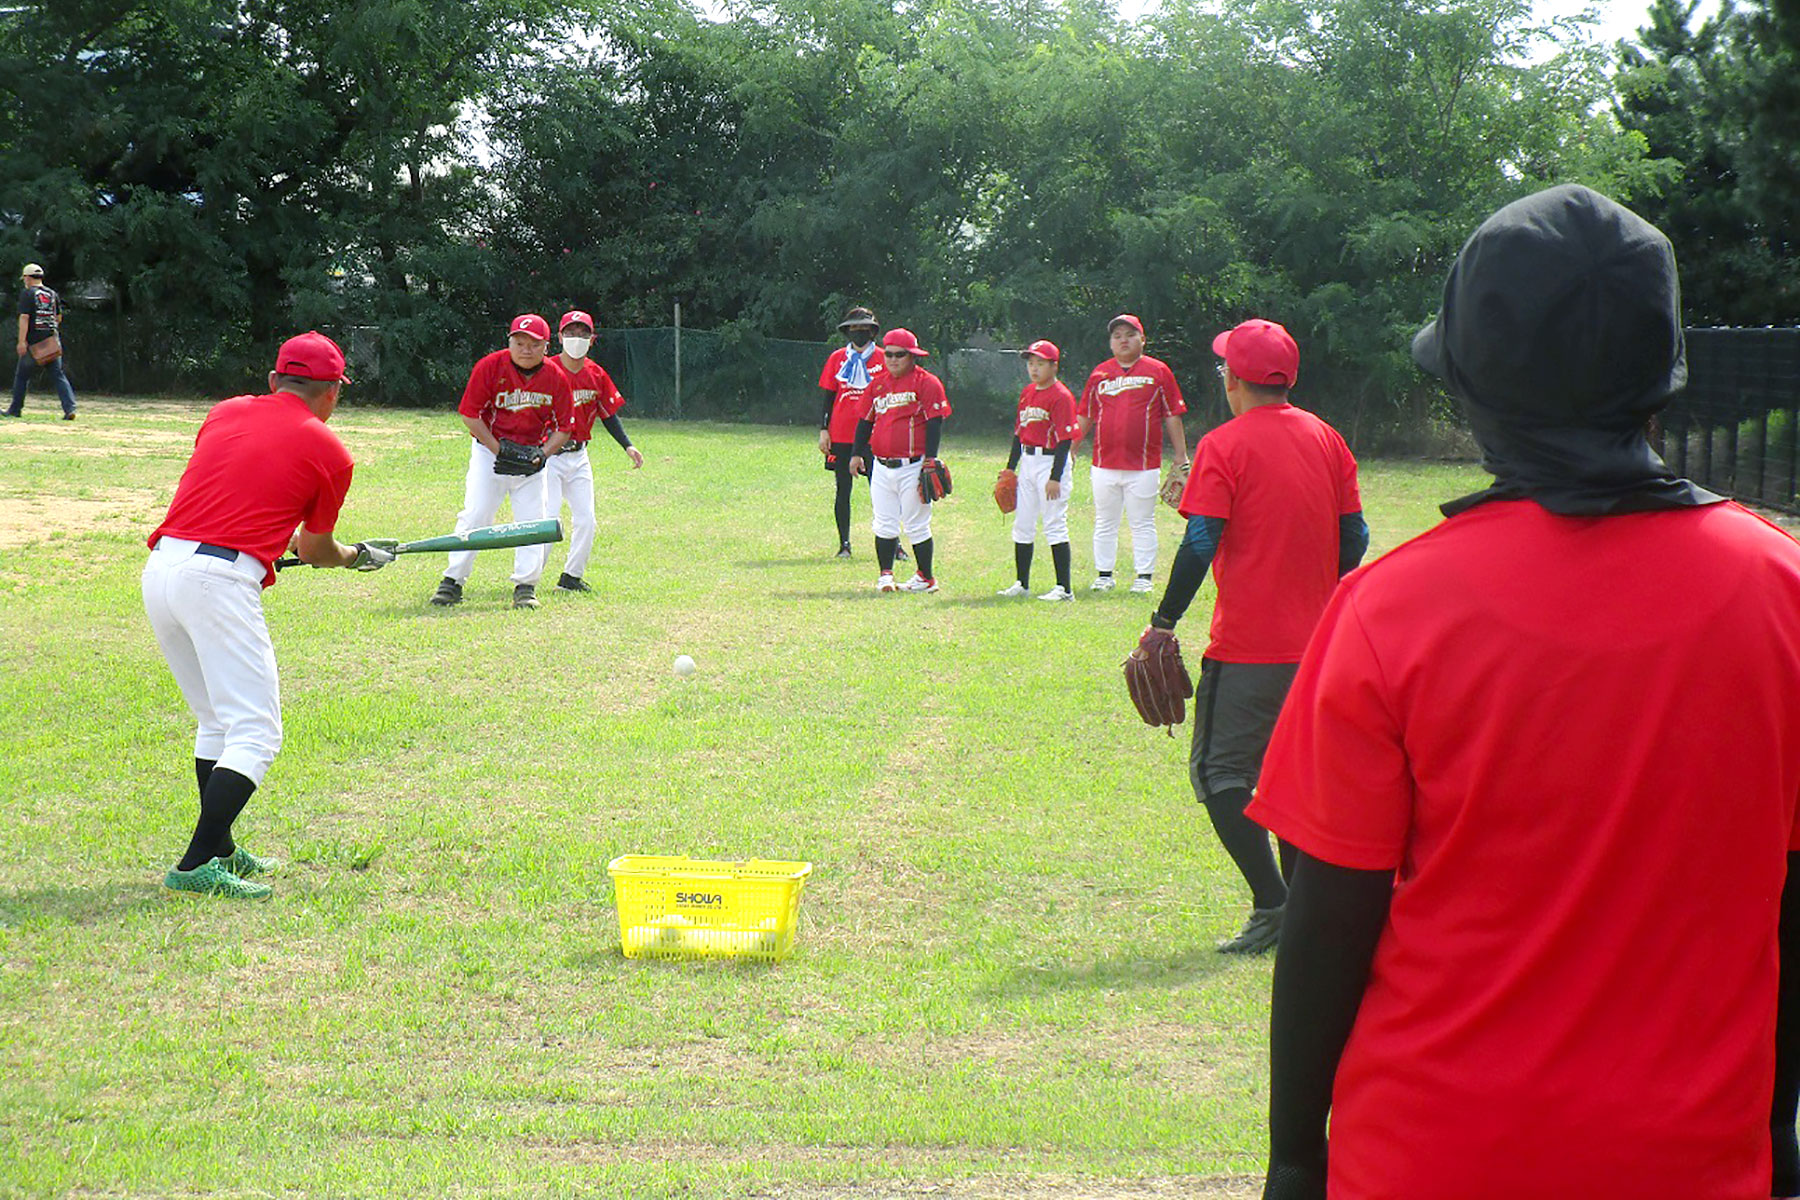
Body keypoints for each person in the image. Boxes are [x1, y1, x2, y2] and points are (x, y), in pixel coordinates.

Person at [1250, 185, 1800, 1200]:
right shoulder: (1783, 594)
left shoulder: (1390, 612)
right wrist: (1778, 1130)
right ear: (1662, 381)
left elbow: (1328, 923)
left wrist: (1293, 1157)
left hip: (1427, 1157)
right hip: (1695, 1163)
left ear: (1475, 392)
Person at [1125, 318, 1365, 954]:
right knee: (1294, 780)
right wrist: (1332, 595)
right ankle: (1305, 913)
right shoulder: (1328, 439)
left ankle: (1275, 904)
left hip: (1249, 650)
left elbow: (1202, 538)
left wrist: (1164, 621)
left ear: (1232, 378)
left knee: (1220, 773)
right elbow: (1358, 535)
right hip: (1321, 651)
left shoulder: (1225, 445)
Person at [143, 332, 395, 899]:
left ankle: (223, 847)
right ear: (331, 393)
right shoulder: (331, 450)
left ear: (275, 380)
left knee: (217, 721)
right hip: (218, 580)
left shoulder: (225, 411)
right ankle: (197, 862)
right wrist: (357, 558)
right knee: (256, 731)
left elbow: (239, 491)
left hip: (163, 567)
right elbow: (314, 550)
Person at [429, 314, 574, 610]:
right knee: (476, 514)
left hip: (531, 455)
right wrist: (498, 450)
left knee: (533, 521)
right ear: (509, 342)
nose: (525, 349)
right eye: (519, 342)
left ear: (546, 346)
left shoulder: (556, 377)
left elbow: (565, 428)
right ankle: (452, 581)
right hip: (488, 451)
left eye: (534, 344)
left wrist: (542, 455)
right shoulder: (490, 367)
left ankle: (526, 585)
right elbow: (470, 414)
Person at [1076, 314, 1187, 593]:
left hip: (1144, 463)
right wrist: (1071, 448)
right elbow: (1086, 416)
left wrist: (1181, 455)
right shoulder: (1100, 373)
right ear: (1111, 343)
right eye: (1117, 336)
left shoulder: (1158, 371)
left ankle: (1144, 577)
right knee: (1105, 520)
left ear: (1142, 339)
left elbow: (1173, 414)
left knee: (1142, 521)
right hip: (1104, 462)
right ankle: (1104, 574)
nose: (1123, 340)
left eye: (1129, 334)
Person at [545, 310, 642, 593]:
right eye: (571, 333)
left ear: (592, 339)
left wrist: (628, 445)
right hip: (549, 456)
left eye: (583, 333)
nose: (577, 338)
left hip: (579, 456)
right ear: (560, 337)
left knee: (587, 520)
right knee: (548, 520)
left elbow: (608, 414)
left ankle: (571, 578)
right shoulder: (546, 370)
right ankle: (528, 578)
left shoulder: (596, 374)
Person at [847, 328, 951, 593]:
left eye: (899, 355)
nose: (892, 359)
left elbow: (934, 423)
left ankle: (926, 578)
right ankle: (885, 575)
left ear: (912, 356)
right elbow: (865, 420)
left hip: (913, 465)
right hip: (881, 465)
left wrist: (930, 460)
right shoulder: (878, 384)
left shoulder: (926, 382)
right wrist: (857, 453)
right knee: (884, 521)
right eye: (889, 354)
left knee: (916, 524)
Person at [996, 339, 1080, 601]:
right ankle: (1022, 583)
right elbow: (1019, 434)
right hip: (1029, 461)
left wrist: (1055, 478)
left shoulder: (1061, 396)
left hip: (1051, 462)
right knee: (1023, 524)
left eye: (1040, 363)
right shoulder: (1027, 393)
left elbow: (1066, 440)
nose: (1034, 368)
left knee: (1054, 523)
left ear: (1054, 366)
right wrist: (1010, 469)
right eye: (1031, 363)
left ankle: (1064, 588)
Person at [818, 306, 900, 562]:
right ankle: (844, 544)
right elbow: (829, 396)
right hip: (841, 434)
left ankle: (894, 544)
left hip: (875, 435)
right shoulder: (837, 358)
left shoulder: (885, 358)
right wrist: (824, 429)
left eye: (863, 328)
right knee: (843, 490)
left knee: (883, 491)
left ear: (872, 330)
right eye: (853, 328)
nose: (858, 332)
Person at [8, 262, 77, 420]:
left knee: (21, 376)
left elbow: (24, 318)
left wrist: (21, 341)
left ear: (27, 278)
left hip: (33, 343)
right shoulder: (52, 294)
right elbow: (58, 318)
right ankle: (70, 408)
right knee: (58, 376)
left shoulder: (27, 294)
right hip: (51, 343)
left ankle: (15, 409)